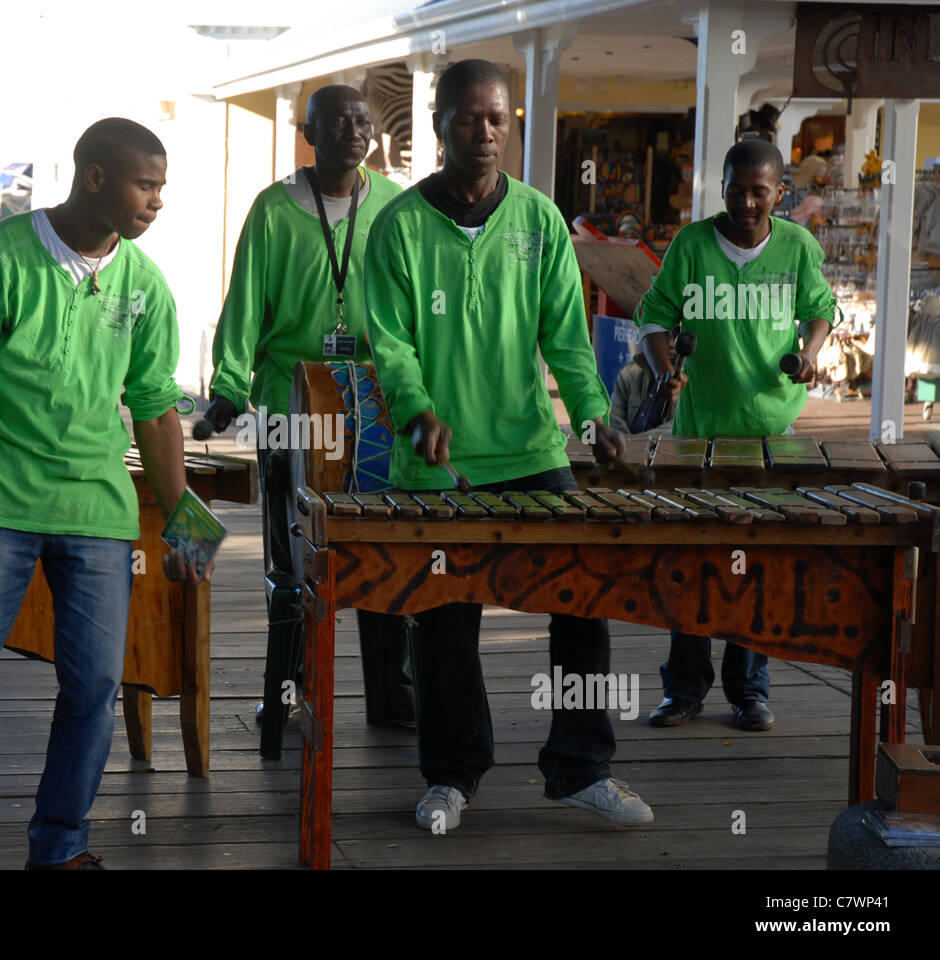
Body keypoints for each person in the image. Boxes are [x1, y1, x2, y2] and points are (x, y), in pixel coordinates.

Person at [0, 118, 209, 870]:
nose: (157, 201)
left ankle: (58, 849)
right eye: (144, 184)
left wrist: (185, 518)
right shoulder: (1, 254)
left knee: (94, 689)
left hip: (98, 513)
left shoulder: (147, 286)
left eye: (162, 187)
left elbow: (155, 407)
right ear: (95, 177)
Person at [365, 59, 653, 831]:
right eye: (468, 118)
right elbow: (390, 346)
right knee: (445, 620)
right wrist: (417, 409)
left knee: (583, 594)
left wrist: (594, 419)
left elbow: (567, 340)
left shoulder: (538, 220)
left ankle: (580, 767)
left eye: (498, 119)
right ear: (437, 126)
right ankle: (452, 776)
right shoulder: (397, 228)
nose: (485, 132)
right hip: (438, 462)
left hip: (530, 451)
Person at [204, 85, 415, 728]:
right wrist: (228, 388)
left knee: (383, 551)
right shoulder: (272, 210)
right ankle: (288, 690)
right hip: (289, 405)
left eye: (364, 121)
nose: (355, 131)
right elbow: (244, 307)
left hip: (375, 406)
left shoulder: (395, 208)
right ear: (308, 130)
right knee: (292, 559)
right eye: (339, 122)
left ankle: (391, 691)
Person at [634, 137, 836, 732]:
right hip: (698, 435)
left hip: (773, 433)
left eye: (759, 191)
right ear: (719, 188)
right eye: (735, 189)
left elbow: (821, 307)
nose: (746, 201)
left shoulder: (797, 246)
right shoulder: (691, 246)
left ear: (780, 192)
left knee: (758, 565)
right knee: (695, 562)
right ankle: (685, 689)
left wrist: (810, 350)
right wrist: (664, 366)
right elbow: (654, 315)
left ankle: (750, 689)